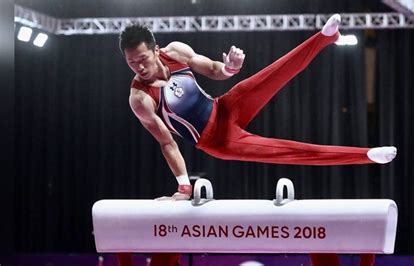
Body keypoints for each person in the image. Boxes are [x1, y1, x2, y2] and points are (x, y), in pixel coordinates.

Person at [119, 14, 396, 202]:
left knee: (275, 73)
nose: (139, 67)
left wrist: (230, 68)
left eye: (142, 58)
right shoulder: (140, 99)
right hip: (218, 140)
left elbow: (214, 69)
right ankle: (366, 156)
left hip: (225, 107)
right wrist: (183, 186)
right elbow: (167, 143)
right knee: (286, 151)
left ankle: (325, 37)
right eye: (132, 63)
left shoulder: (176, 51)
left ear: (156, 50)